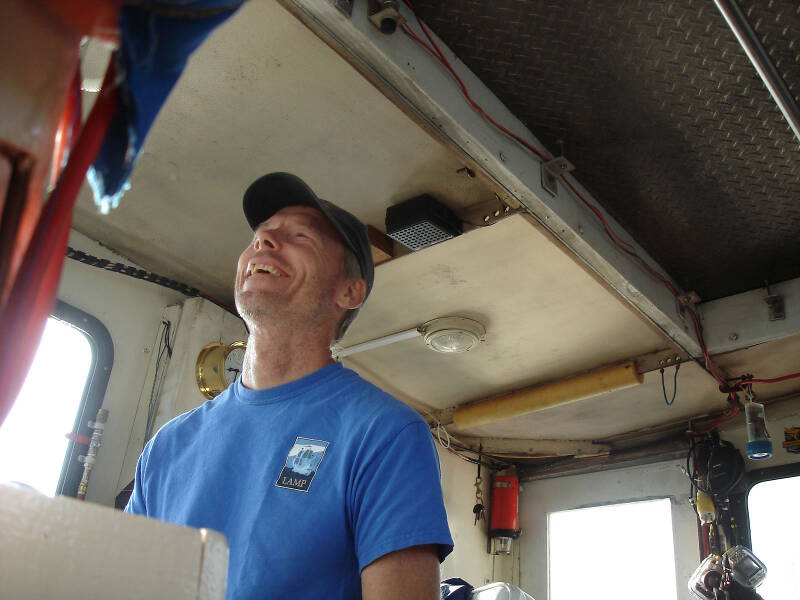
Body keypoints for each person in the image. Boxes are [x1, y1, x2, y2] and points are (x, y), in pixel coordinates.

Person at [125, 173, 453, 599]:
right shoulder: (167, 447)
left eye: (299, 235)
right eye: (259, 236)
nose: (264, 242)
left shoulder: (385, 434)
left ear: (349, 290)